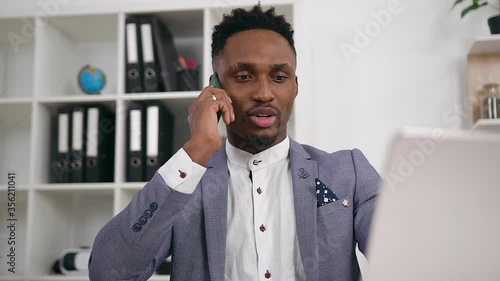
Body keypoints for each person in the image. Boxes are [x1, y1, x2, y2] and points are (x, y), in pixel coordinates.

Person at [88, 5, 380, 281]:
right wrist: (197, 150)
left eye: (279, 76)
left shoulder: (349, 172)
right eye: (244, 76)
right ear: (215, 86)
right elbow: (109, 273)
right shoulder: (184, 183)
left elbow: (408, 256)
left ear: (295, 86)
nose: (264, 93)